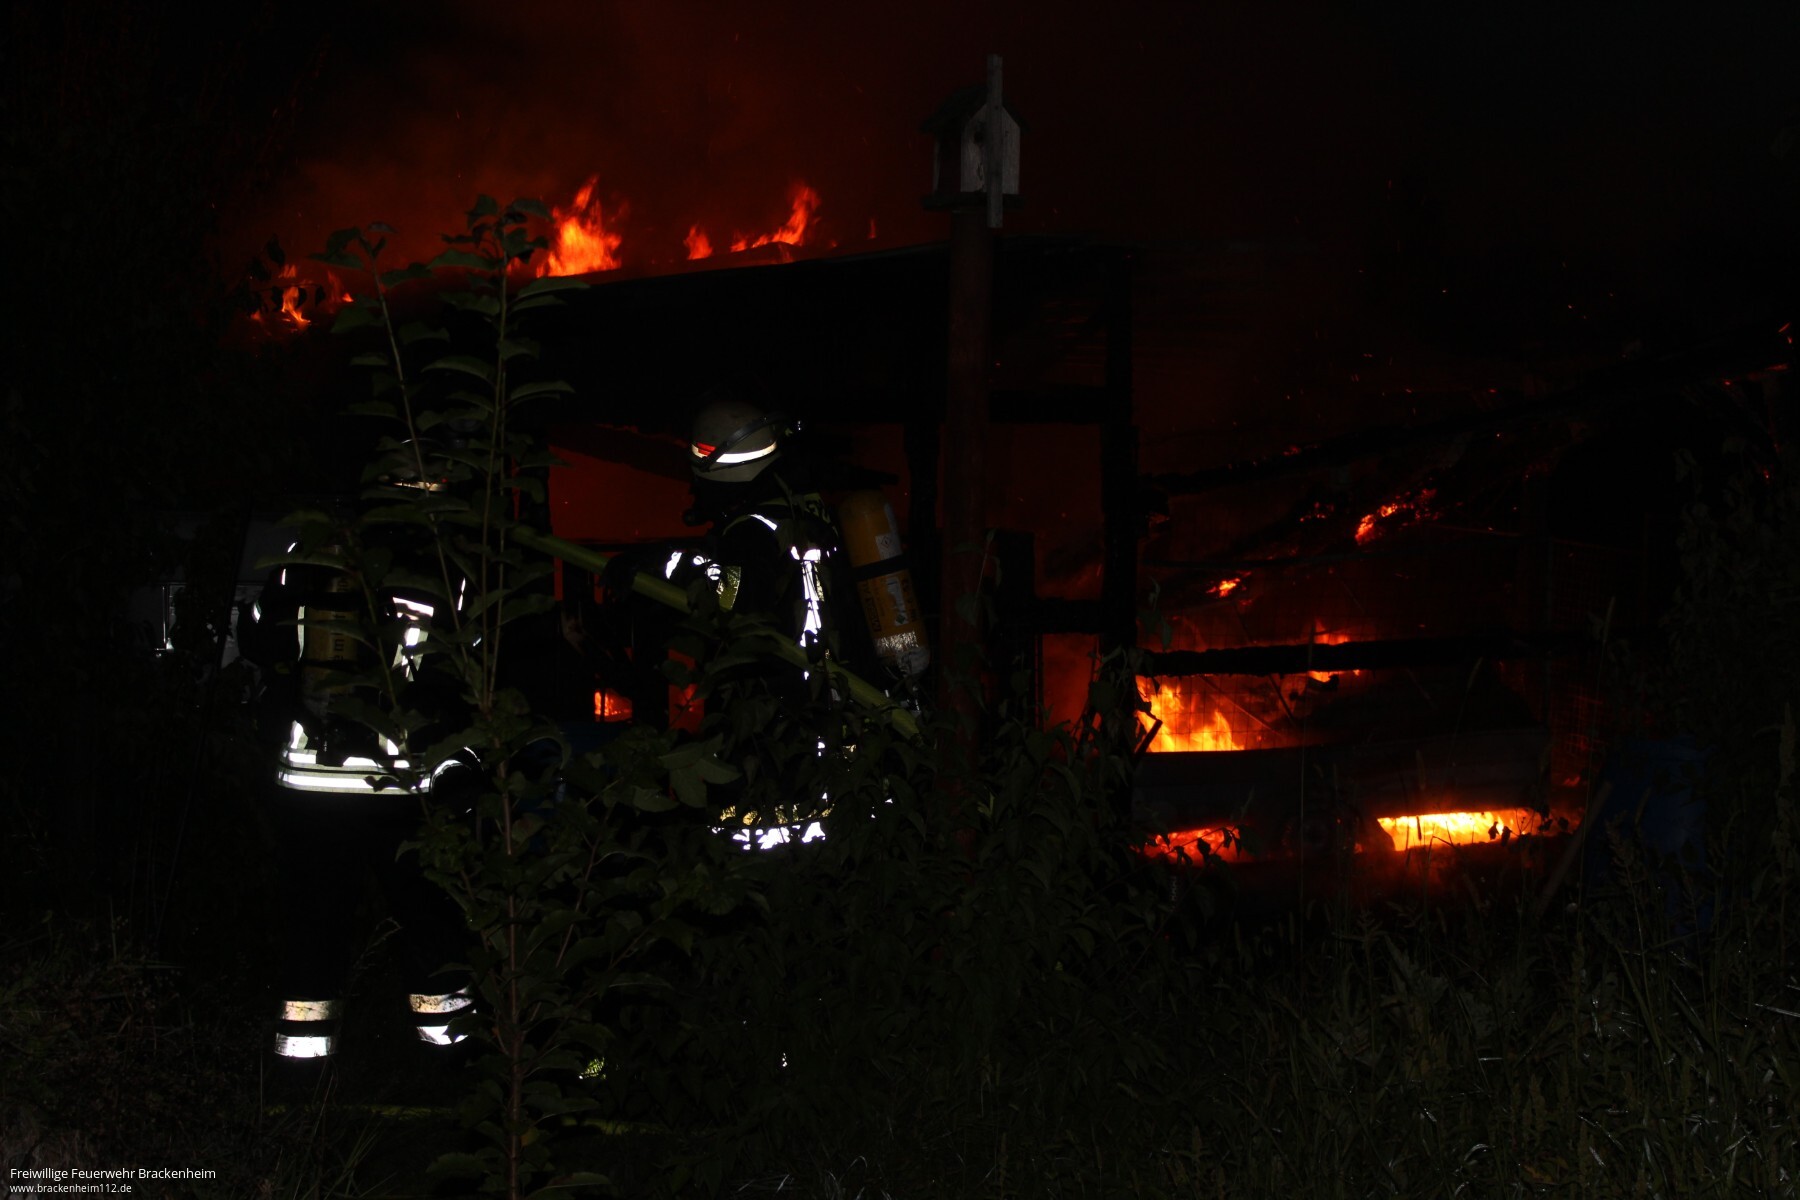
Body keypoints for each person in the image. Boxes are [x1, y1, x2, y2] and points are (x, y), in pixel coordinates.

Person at [241, 504, 475, 1065]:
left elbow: (255, 639)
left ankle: (302, 1058)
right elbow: (466, 670)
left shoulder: (302, 562)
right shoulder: (440, 569)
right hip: (400, 788)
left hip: (310, 786)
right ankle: (450, 1052)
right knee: (426, 920)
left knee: (313, 922)